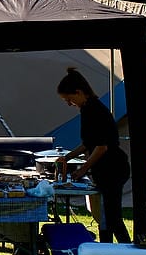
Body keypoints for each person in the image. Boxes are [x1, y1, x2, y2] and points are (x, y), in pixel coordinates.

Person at [57, 67, 133, 243]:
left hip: (113, 169)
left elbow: (101, 147)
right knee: (105, 218)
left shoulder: (95, 110)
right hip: (104, 170)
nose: (69, 103)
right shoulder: (86, 109)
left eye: (69, 99)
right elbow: (88, 143)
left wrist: (83, 169)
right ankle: (105, 250)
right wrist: (67, 158)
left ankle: (127, 251)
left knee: (112, 218)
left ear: (79, 92)